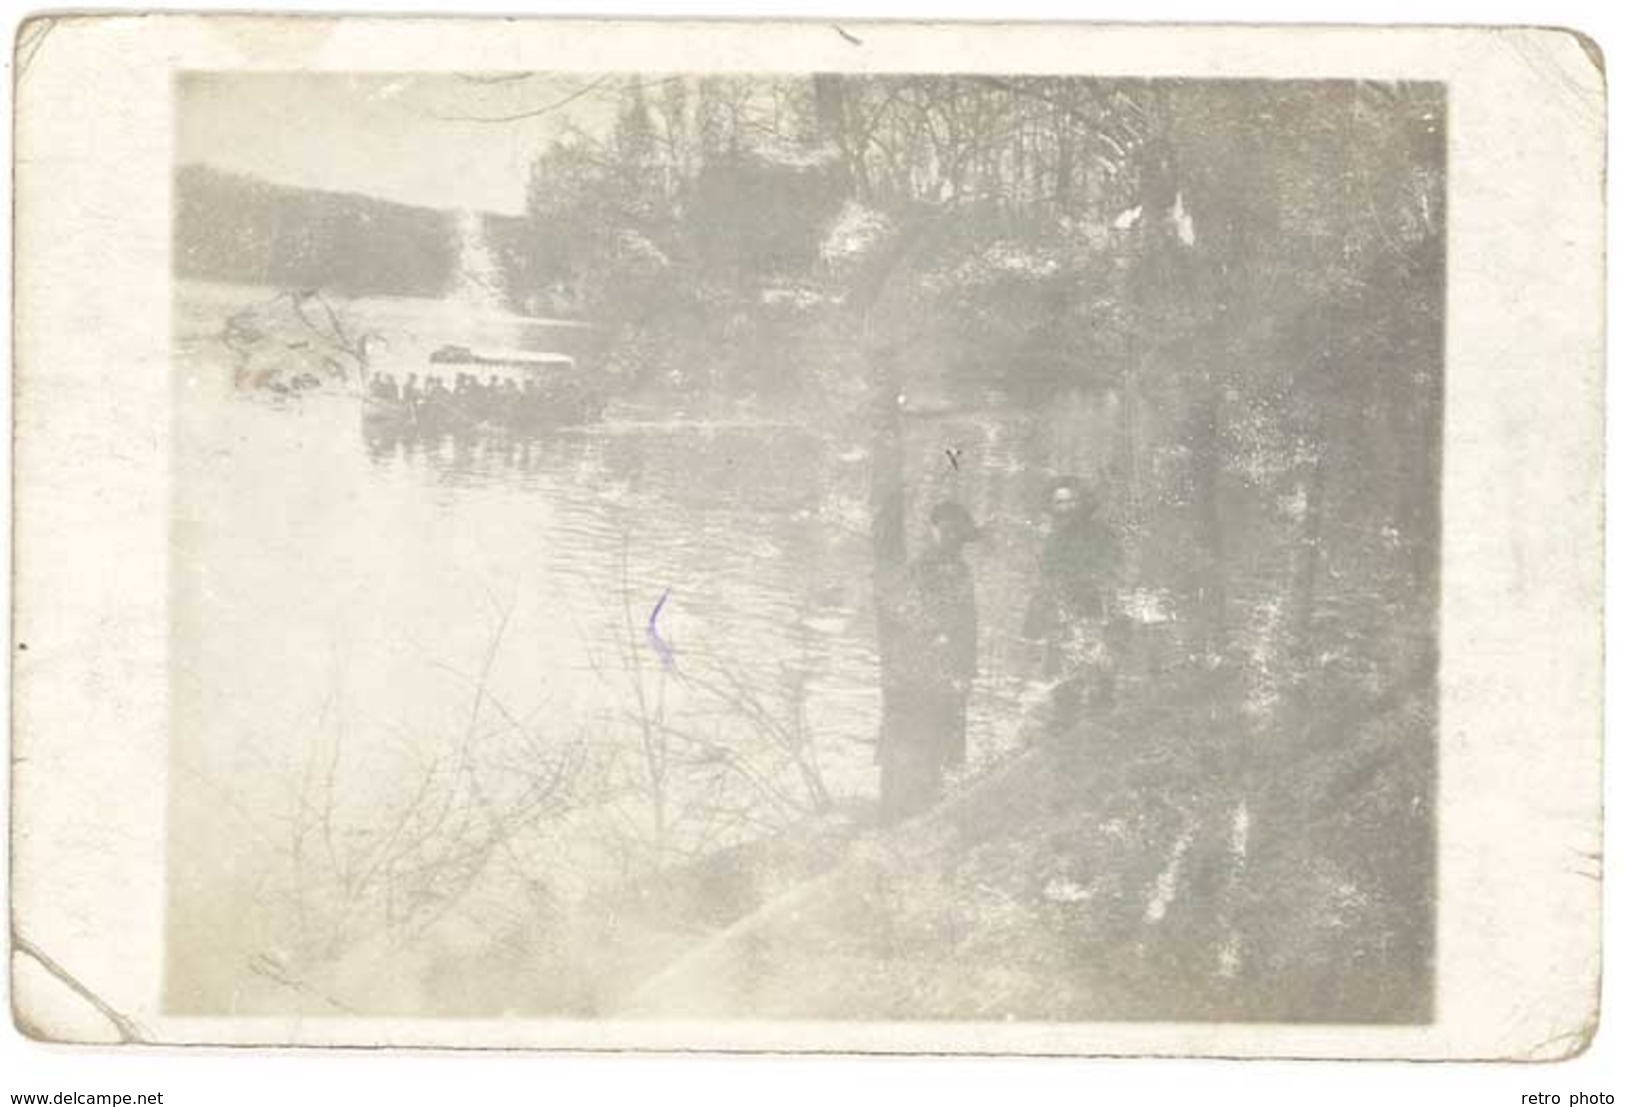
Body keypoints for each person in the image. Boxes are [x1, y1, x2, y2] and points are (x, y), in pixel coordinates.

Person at [879, 501, 981, 824]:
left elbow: (969, 624)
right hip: (917, 666)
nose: (949, 536)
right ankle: (899, 810)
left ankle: (927, 807)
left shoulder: (962, 570)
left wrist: (965, 669)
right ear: (934, 531)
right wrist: (932, 637)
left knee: (943, 734)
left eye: (956, 531)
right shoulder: (920, 568)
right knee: (912, 734)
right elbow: (902, 613)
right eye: (944, 529)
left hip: (948, 668)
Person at [1022, 476, 1121, 728]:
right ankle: (1064, 731)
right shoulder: (1052, 541)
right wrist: (1032, 624)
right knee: (1060, 682)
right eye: (1058, 503)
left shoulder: (1102, 535)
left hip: (1092, 615)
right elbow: (1044, 580)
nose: (1064, 508)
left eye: (1070, 501)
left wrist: (1091, 595)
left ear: (1081, 503)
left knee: (1098, 676)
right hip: (1059, 619)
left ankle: (1100, 729)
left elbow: (1112, 573)